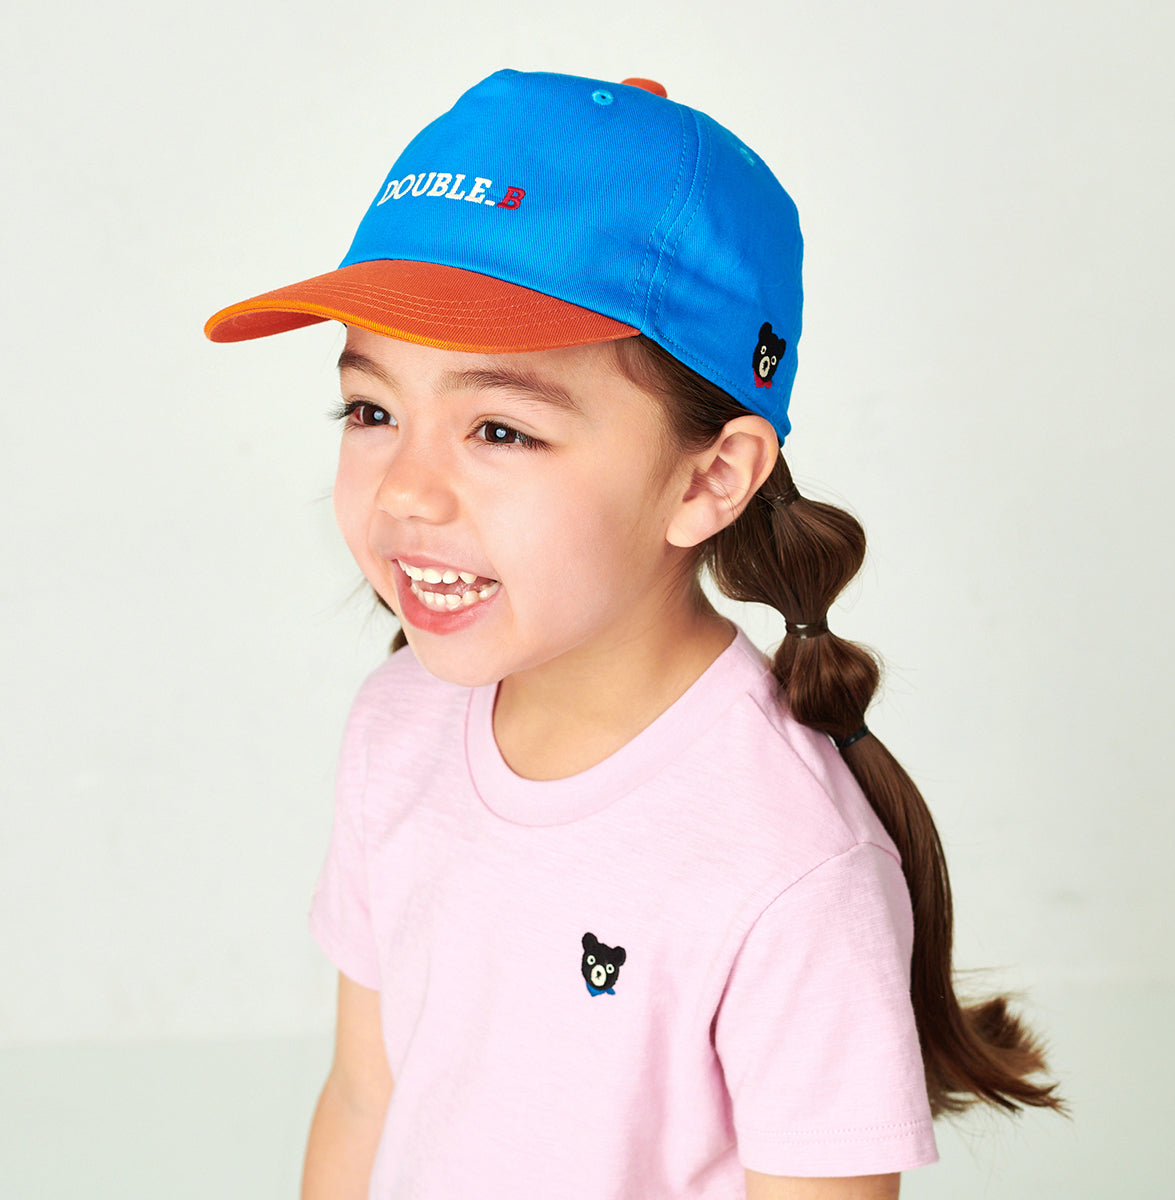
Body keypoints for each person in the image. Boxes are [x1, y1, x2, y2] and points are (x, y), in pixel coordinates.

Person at [205, 70, 1063, 1200]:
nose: (405, 489)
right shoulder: (397, 725)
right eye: (373, 411)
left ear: (710, 479)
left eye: (499, 429)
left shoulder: (793, 863)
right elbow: (367, 1096)